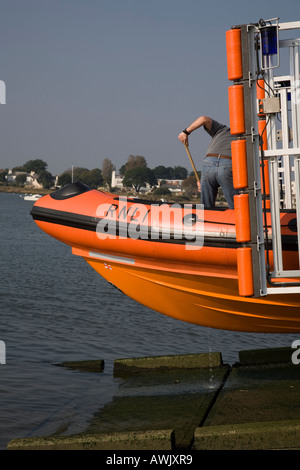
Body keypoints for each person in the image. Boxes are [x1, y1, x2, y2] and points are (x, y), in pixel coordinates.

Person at [178, 116, 239, 209]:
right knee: (237, 207)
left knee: (205, 208)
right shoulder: (248, 139)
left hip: (208, 163)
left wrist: (186, 132)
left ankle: (204, 220)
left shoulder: (222, 129)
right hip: (228, 163)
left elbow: (203, 119)